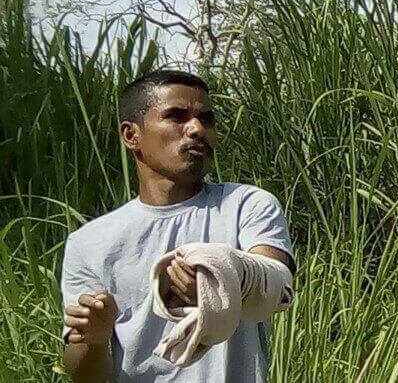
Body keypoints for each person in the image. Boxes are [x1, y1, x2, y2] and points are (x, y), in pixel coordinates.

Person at [59, 70, 296, 382]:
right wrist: (93, 339)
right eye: (177, 116)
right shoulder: (88, 243)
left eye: (206, 119)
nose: (197, 129)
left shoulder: (246, 204)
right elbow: (86, 378)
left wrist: (219, 272)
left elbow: (276, 286)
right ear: (132, 136)